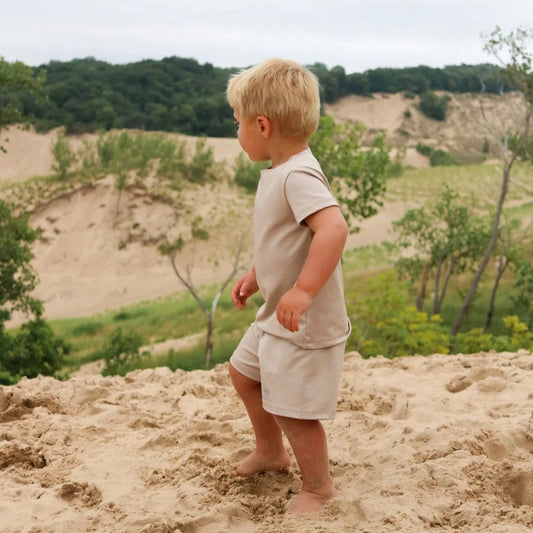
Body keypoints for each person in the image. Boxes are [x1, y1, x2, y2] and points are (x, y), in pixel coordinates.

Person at [226, 58, 351, 514]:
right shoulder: (281, 170)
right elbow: (286, 238)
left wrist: (302, 291)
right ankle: (271, 452)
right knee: (243, 375)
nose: (236, 131)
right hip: (275, 312)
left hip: (301, 319)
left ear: (262, 125)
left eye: (237, 123)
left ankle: (318, 488)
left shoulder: (298, 174)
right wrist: (258, 275)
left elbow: (333, 229)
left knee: (292, 408)